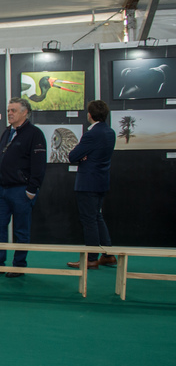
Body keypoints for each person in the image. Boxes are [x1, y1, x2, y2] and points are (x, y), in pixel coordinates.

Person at [0, 97, 47, 277]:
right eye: (8, 110)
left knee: (21, 229)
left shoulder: (34, 134)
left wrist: (31, 189)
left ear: (25, 112)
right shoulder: (7, 132)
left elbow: (39, 164)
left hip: (21, 190)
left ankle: (19, 265)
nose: (9, 113)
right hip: (2, 189)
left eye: (13, 110)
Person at [66, 100, 118, 269]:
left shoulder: (91, 134)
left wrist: (82, 156)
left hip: (87, 183)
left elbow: (73, 156)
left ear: (90, 115)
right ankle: (108, 255)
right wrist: (85, 155)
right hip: (102, 182)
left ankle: (91, 259)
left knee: (89, 220)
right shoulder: (110, 132)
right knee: (97, 217)